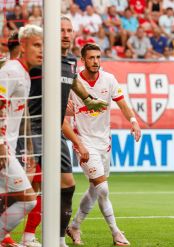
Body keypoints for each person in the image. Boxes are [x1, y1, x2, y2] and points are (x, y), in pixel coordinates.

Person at [66, 43, 141, 246]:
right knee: (103, 189)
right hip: (84, 142)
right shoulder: (74, 83)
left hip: (104, 143)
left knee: (95, 188)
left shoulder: (109, 79)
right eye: (91, 58)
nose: (96, 62)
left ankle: (74, 226)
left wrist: (133, 122)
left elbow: (122, 102)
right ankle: (116, 232)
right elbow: (63, 112)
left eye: (98, 57)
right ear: (83, 60)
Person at [59, 16, 108, 247]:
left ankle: (61, 235)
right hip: (38, 129)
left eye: (69, 30)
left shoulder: (69, 62)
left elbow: (73, 82)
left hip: (60, 134)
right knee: (30, 189)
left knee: (68, 186)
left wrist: (88, 100)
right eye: (62, 30)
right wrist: (79, 143)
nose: (66, 34)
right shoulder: (44, 60)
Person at [0, 24, 43, 246]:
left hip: (8, 149)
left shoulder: (24, 75)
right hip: (1, 149)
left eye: (43, 45)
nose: (42, 50)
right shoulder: (11, 71)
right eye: (37, 45)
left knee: (15, 199)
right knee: (28, 199)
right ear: (23, 46)